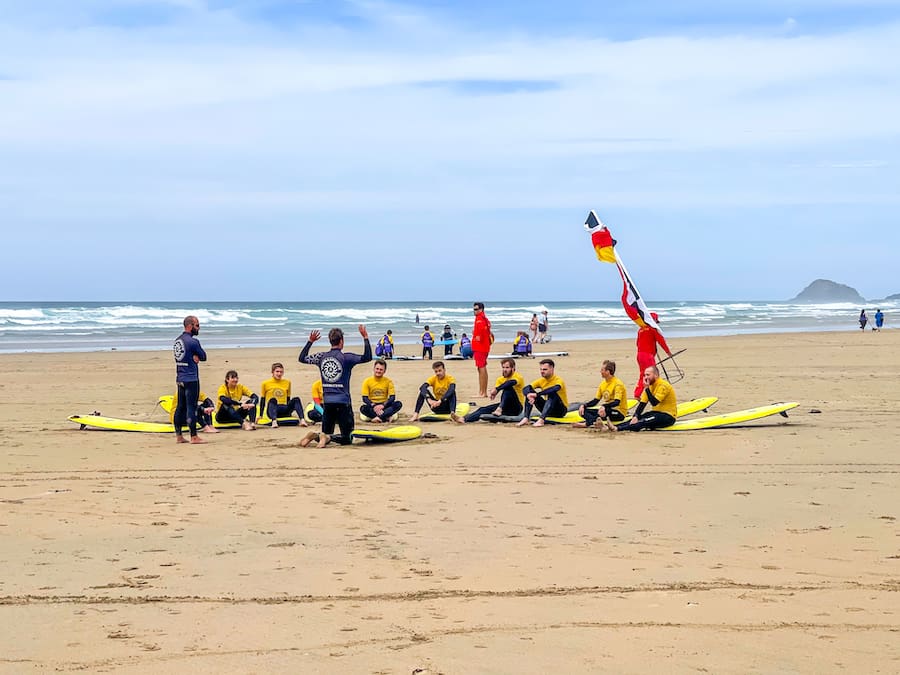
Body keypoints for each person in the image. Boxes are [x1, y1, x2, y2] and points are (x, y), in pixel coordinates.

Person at [297, 325, 372, 447]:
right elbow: (367, 357)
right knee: (348, 438)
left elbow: (302, 358)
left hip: (328, 402)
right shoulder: (347, 358)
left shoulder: (321, 357)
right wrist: (365, 337)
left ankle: (317, 436)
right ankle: (325, 437)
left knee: (325, 434)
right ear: (342, 341)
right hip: (343, 402)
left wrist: (310, 341)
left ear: (330, 341)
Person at [455, 358, 524, 423]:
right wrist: (493, 393)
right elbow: (496, 391)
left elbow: (511, 382)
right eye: (503, 367)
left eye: (507, 368)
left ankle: (499, 409)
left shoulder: (518, 377)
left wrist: (497, 389)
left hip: (517, 407)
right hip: (506, 406)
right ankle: (463, 419)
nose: (504, 370)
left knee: (508, 388)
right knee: (482, 409)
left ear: (513, 368)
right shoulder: (500, 379)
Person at [173, 315, 208, 444]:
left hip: (180, 377)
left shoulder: (177, 341)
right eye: (197, 325)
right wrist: (196, 356)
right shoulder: (193, 342)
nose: (199, 328)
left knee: (180, 407)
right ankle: (194, 436)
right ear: (190, 326)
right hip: (191, 378)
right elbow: (203, 356)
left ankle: (179, 436)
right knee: (191, 407)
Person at [615, 366, 676, 432]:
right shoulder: (649, 386)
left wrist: (646, 388)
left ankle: (618, 429)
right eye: (645, 375)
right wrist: (635, 416)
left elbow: (654, 403)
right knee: (635, 419)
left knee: (643, 422)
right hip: (655, 413)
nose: (646, 377)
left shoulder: (663, 385)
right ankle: (613, 427)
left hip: (668, 416)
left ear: (655, 375)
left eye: (648, 375)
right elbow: (642, 404)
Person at [574, 359, 628, 430]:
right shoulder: (603, 384)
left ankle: (587, 424)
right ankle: (597, 423)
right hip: (605, 411)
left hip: (619, 412)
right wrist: (584, 405)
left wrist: (604, 406)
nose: (600, 372)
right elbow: (596, 400)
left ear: (608, 372)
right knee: (584, 411)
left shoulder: (618, 384)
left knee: (603, 412)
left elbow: (616, 402)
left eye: (602, 370)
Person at [516, 358, 568, 427]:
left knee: (552, 393)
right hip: (547, 409)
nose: (542, 371)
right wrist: (528, 395)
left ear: (552, 369)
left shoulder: (558, 380)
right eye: (541, 369)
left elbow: (554, 389)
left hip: (560, 410)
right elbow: (526, 388)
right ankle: (526, 418)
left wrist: (537, 395)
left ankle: (541, 420)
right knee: (530, 393)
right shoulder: (541, 380)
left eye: (545, 369)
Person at [634, 312, 673, 398]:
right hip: (648, 356)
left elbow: (638, 343)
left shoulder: (641, 329)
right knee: (653, 375)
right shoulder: (653, 329)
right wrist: (668, 352)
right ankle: (655, 393)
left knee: (643, 374)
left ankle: (637, 394)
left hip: (640, 355)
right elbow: (661, 341)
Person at [260, 362, 308, 428]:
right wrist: (260, 415)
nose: (279, 374)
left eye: (281, 372)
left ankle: (302, 420)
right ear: (272, 372)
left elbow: (288, 399)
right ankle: (274, 421)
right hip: (273, 409)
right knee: (273, 400)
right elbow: (263, 400)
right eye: (277, 371)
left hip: (284, 409)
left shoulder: (287, 382)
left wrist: (290, 412)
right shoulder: (265, 383)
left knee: (296, 399)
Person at [359, 359, 403, 423]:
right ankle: (385, 417)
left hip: (384, 405)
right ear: (374, 369)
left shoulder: (388, 381)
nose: (378, 371)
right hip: (373, 406)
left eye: (381, 369)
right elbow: (365, 398)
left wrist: (383, 405)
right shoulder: (367, 381)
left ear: (384, 371)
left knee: (398, 404)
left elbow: (392, 397)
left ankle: (377, 418)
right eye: (377, 369)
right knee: (363, 408)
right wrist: (374, 406)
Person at [472, 301, 492, 397]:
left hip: (480, 347)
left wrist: (475, 335)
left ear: (481, 309)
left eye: (476, 309)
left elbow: (479, 335)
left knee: (481, 368)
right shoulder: (484, 319)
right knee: (481, 368)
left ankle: (482, 392)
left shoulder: (480, 319)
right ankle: (482, 391)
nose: (474, 311)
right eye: (474, 309)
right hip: (484, 346)